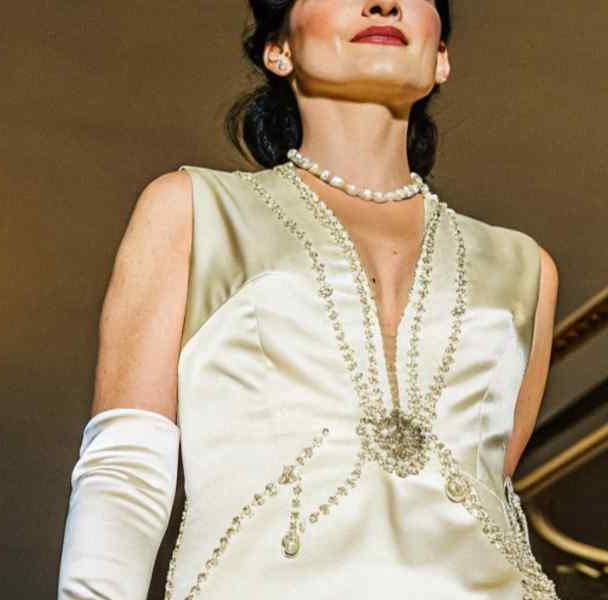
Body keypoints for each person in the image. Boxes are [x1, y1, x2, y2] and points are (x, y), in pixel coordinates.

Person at [57, 0, 562, 598]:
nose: (383, 3)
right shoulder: (195, 210)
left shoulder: (524, 269)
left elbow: (485, 494)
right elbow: (126, 470)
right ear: (279, 48)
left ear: (442, 58)